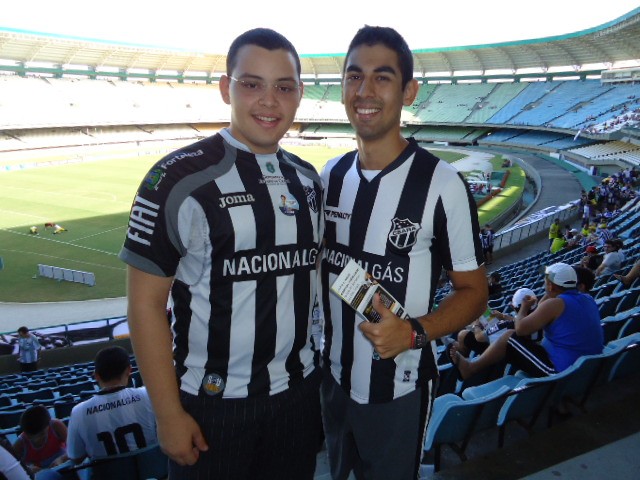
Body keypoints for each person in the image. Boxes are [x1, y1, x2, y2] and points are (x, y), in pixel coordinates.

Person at [119, 28, 323, 480]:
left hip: (298, 397)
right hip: (211, 407)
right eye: (252, 84)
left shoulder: (309, 180)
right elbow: (145, 305)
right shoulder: (176, 180)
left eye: (283, 87)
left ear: (299, 95)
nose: (269, 101)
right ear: (225, 88)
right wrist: (168, 414)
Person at [319, 26, 487, 480]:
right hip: (332, 382)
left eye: (382, 77)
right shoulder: (329, 175)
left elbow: (474, 292)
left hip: (399, 388)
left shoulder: (442, 184)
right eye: (354, 77)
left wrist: (413, 333)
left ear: (409, 90)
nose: (364, 91)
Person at [453, 263, 603, 380]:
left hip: (563, 370)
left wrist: (524, 308)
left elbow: (521, 329)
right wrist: (548, 293)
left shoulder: (556, 304)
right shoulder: (587, 298)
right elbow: (544, 306)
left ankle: (471, 368)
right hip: (589, 364)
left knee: (510, 337)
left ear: (550, 285)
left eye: (546, 281)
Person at [66, 346, 157, 462]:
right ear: (129, 370)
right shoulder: (148, 395)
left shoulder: (78, 412)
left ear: (96, 376)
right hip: (155, 473)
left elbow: (76, 457)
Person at [12, 406, 67, 475]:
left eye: (42, 434)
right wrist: (27, 468)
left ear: (48, 424)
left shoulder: (56, 426)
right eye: (31, 437)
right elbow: (12, 465)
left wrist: (62, 459)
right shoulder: (20, 443)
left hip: (63, 469)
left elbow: (74, 448)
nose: (37, 439)